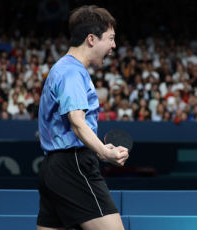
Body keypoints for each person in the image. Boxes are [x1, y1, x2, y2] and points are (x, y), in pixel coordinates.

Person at [37, 5, 128, 230]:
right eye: (110, 38)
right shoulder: (71, 72)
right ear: (91, 39)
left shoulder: (61, 68)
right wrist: (105, 152)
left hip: (52, 167)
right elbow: (77, 123)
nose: (114, 46)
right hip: (74, 164)